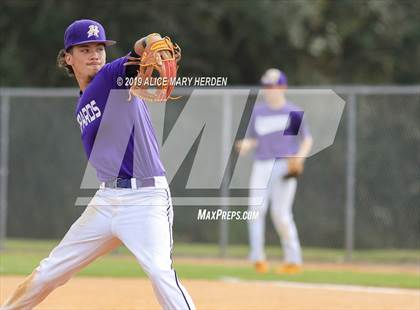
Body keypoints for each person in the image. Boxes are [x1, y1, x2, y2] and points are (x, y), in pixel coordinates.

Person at [1, 19, 195, 310]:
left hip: (145, 200)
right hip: (107, 201)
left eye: (100, 48)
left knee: (159, 272)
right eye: (85, 49)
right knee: (49, 272)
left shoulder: (110, 77)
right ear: (68, 58)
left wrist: (152, 41)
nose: (95, 54)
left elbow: (140, 50)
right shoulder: (82, 102)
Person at [235, 68, 313, 274]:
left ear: (283, 87)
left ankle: (293, 259)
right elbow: (256, 138)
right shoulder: (258, 112)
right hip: (262, 164)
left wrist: (299, 157)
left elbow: (306, 139)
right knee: (255, 211)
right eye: (267, 86)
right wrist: (247, 144)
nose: (270, 90)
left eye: (274, 86)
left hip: (284, 165)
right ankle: (258, 258)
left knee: (281, 215)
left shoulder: (293, 112)